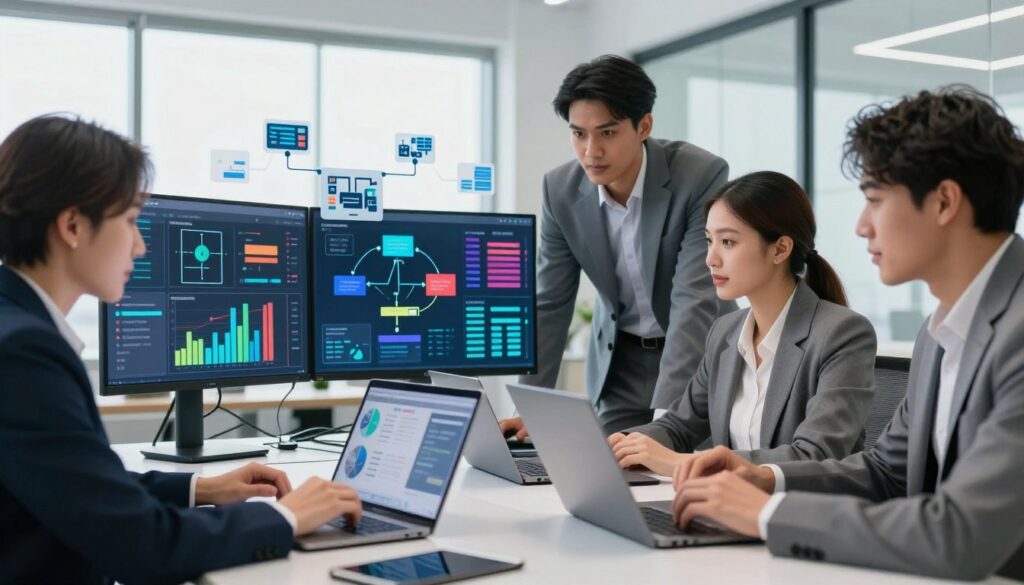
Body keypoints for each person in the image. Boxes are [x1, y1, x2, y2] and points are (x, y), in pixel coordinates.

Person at [670, 86, 1024, 581]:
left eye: (874, 200)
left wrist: (766, 514)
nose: (861, 227)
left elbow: (961, 535)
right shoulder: (938, 333)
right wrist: (762, 477)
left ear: (945, 201)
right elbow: (885, 471)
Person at [0, 115, 362, 585]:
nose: (140, 246)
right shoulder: (24, 353)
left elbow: (74, 486)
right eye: (131, 222)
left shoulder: (15, 327)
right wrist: (287, 517)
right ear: (72, 225)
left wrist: (200, 488)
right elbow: (142, 545)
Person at [500, 54, 733, 437]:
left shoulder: (698, 175)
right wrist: (531, 407)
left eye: (607, 133)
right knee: (606, 466)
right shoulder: (559, 190)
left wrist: (668, 425)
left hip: (698, 357)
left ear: (644, 126)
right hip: (619, 364)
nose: (591, 151)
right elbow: (550, 302)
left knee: (691, 468)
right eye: (578, 133)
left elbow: (693, 300)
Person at [605, 171, 877, 476]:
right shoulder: (725, 332)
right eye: (709, 241)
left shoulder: (842, 334)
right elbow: (679, 426)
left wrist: (680, 463)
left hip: (802, 505)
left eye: (728, 242)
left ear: (780, 249)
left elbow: (814, 455)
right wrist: (621, 444)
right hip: (729, 501)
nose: (711, 258)